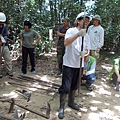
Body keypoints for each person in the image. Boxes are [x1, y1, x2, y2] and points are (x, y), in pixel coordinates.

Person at [58, 12, 91, 119]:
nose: (86, 23)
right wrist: (78, 34)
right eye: (84, 21)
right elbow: (66, 43)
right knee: (65, 86)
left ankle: (71, 102)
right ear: (78, 21)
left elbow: (87, 51)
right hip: (69, 63)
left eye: (87, 22)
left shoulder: (87, 35)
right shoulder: (71, 30)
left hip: (79, 64)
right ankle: (61, 106)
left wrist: (85, 54)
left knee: (75, 85)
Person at [0, 12, 13, 78]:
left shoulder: (4, 26)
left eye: (2, 22)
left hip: (5, 45)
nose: (1, 23)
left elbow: (6, 34)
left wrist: (5, 37)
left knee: (8, 58)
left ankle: (9, 71)